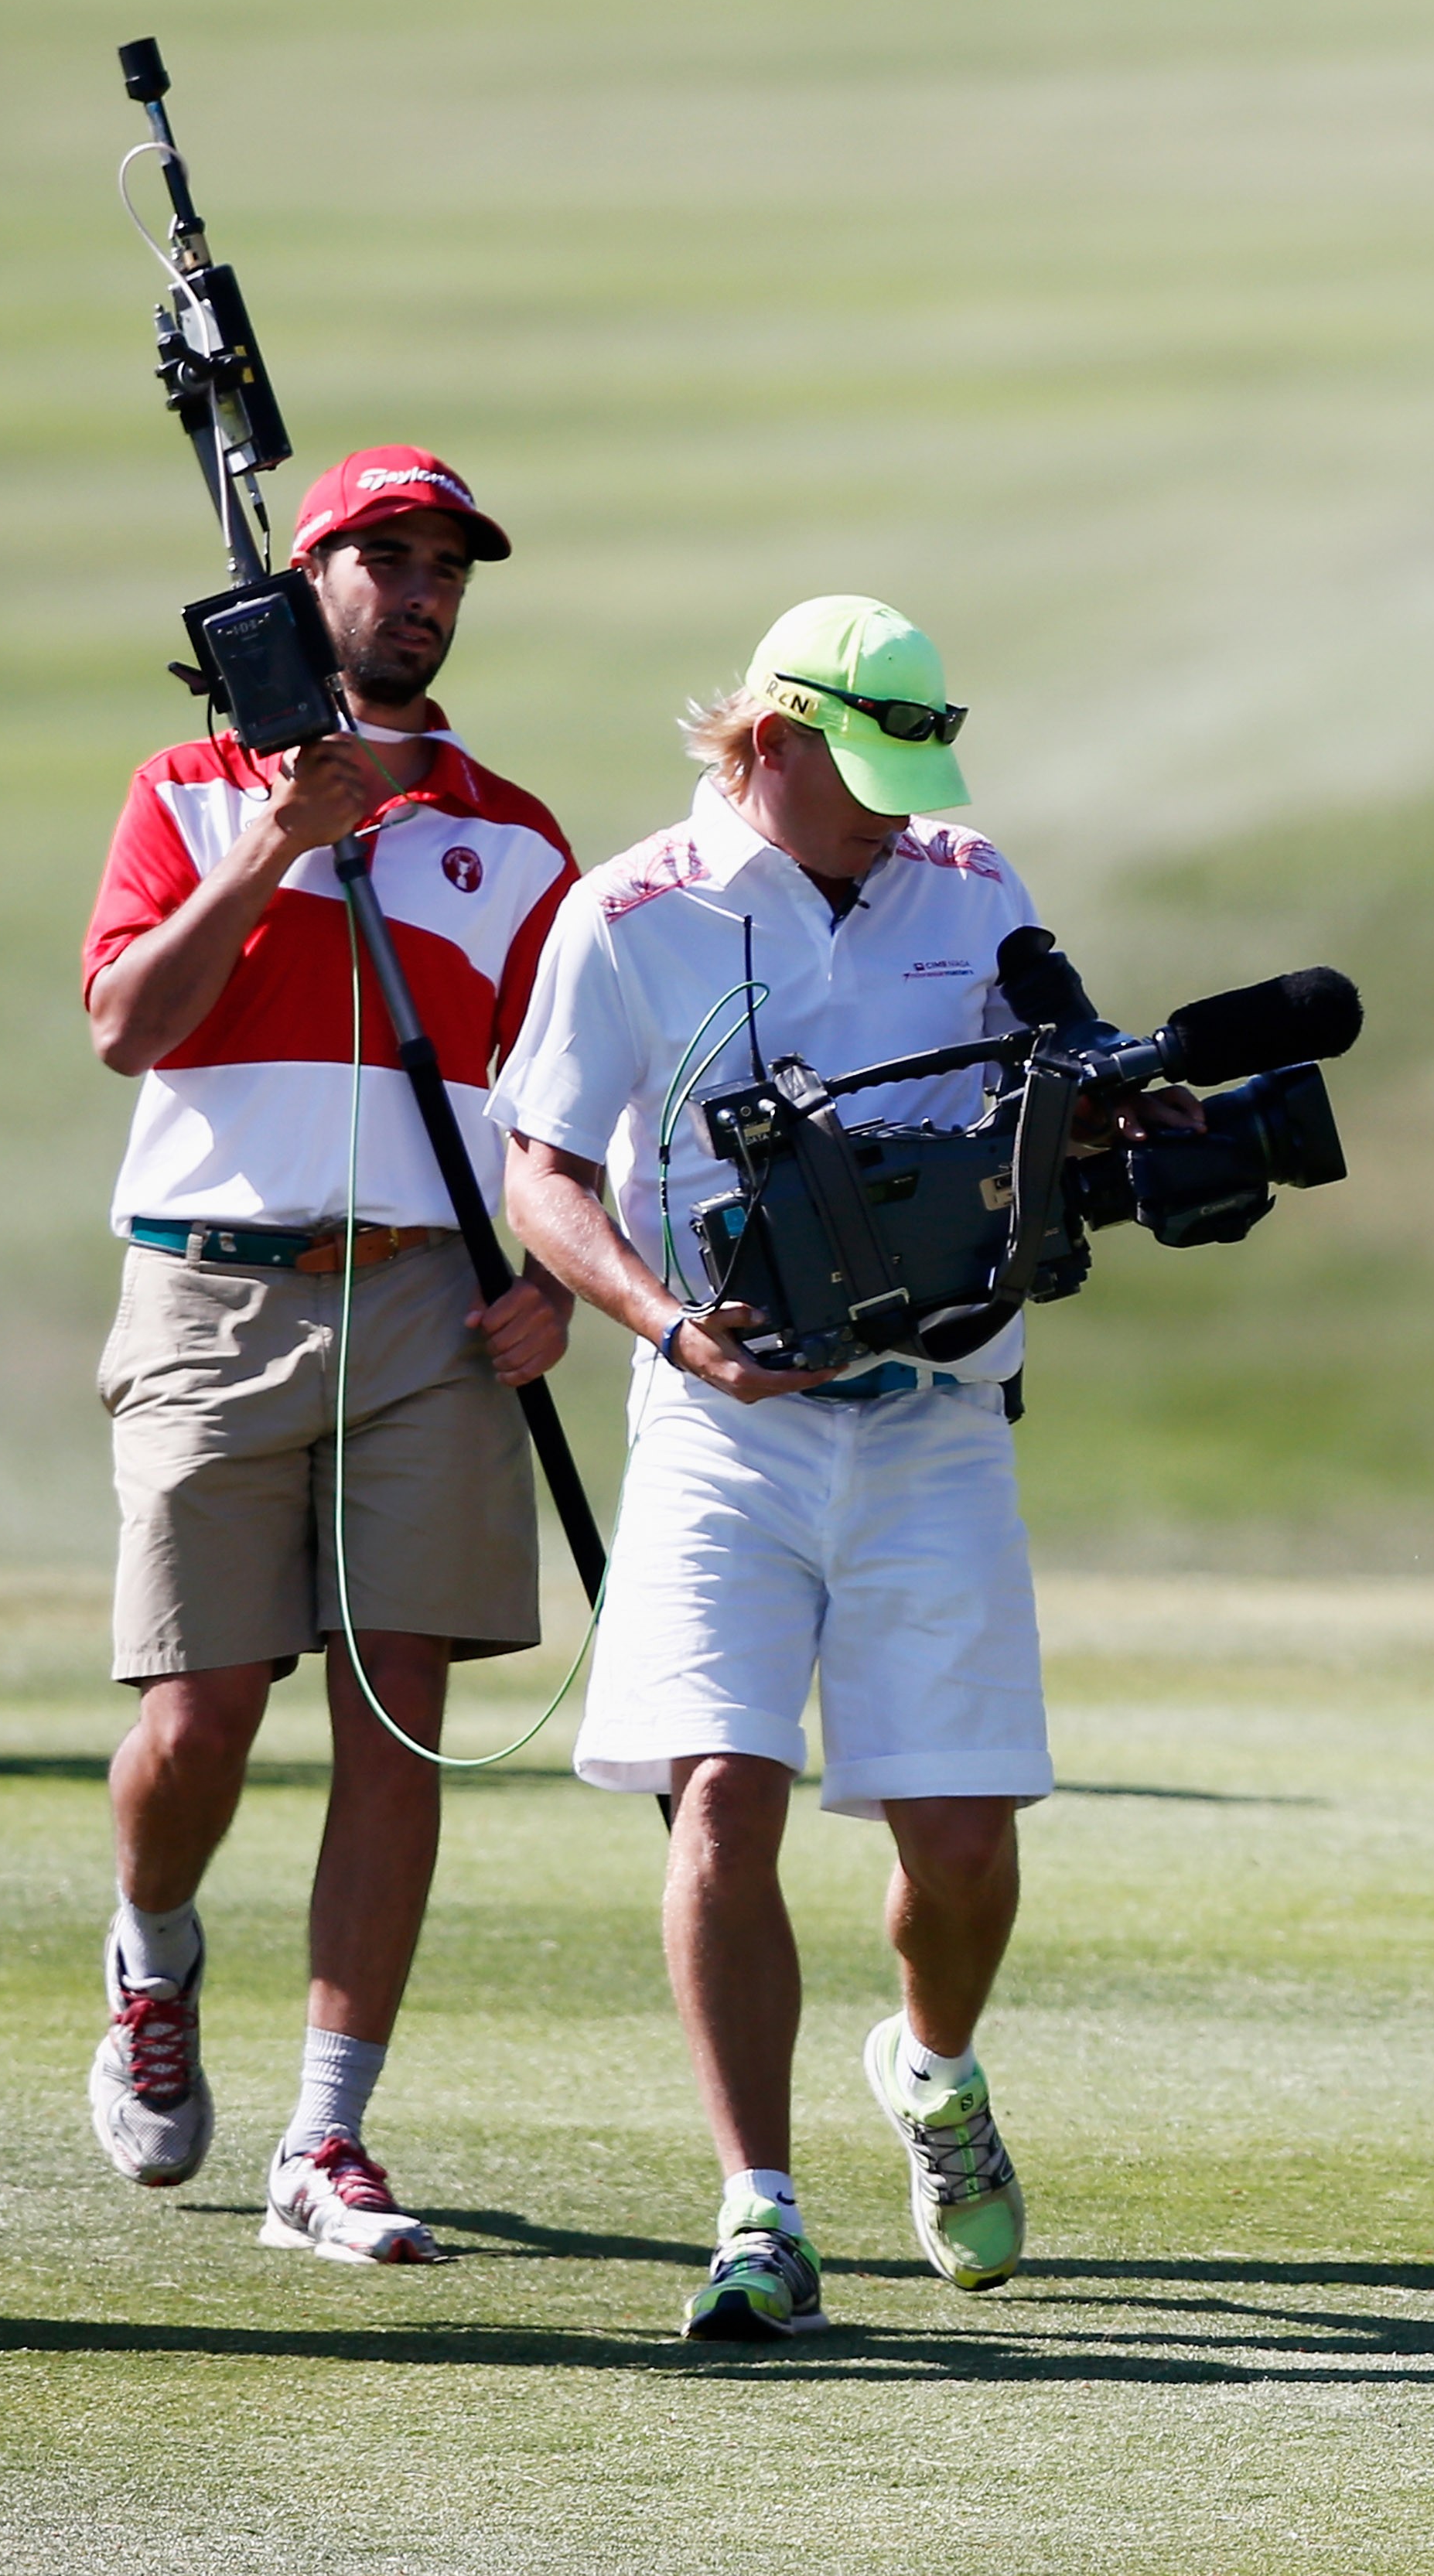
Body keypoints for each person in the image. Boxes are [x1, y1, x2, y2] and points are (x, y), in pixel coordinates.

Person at [497, 595, 1185, 2341]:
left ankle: (933, 2071)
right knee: (723, 1791)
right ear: (771, 743)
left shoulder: (971, 877)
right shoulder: (631, 911)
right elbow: (544, 1176)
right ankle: (759, 2214)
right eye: (861, 770)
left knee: (960, 1848)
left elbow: (1044, 1086)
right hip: (723, 1419)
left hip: (941, 1414)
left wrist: (1116, 1119)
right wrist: (665, 1326)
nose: (896, 807)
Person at [78, 448, 578, 2263]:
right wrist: (282, 850)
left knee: (397, 1721)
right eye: (388, 558)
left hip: (431, 1310)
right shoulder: (190, 790)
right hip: (211, 1293)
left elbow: (558, 1115)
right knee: (199, 1716)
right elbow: (129, 1025)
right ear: (307, 584)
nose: (423, 589)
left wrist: (555, 1281)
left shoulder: (514, 838)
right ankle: (151, 1947)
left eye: (449, 565)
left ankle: (326, 2137)